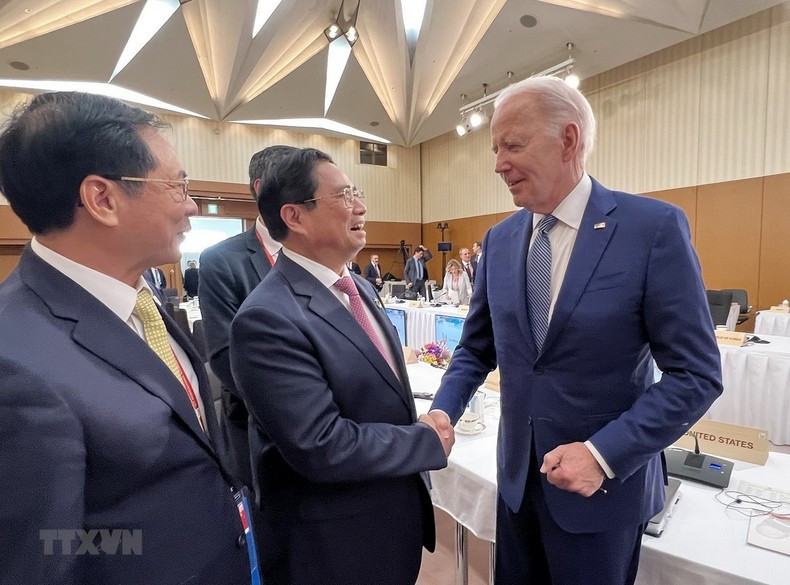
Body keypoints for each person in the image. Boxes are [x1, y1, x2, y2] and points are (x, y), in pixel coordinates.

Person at [428, 76, 722, 585]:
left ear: (567, 140)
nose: (498, 163)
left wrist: (604, 454)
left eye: (512, 145)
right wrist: (442, 410)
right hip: (518, 486)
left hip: (604, 494)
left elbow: (695, 375)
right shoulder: (499, 241)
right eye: (495, 147)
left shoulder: (651, 229)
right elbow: (476, 350)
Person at [0, 92, 251, 584]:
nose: (192, 205)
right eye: (177, 186)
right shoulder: (16, 358)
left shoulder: (138, 295)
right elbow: (40, 552)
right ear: (103, 199)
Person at [230, 147, 453, 585]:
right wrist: (423, 442)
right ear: (294, 216)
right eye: (345, 195)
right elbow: (319, 444)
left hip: (389, 523)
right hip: (334, 543)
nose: (362, 206)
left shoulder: (358, 289)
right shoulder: (268, 318)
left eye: (358, 192)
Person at [199, 144, 296, 491]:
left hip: (324, 424)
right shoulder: (223, 260)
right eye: (296, 182)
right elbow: (225, 356)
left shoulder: (320, 253)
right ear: (261, 188)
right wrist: (299, 400)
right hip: (254, 422)